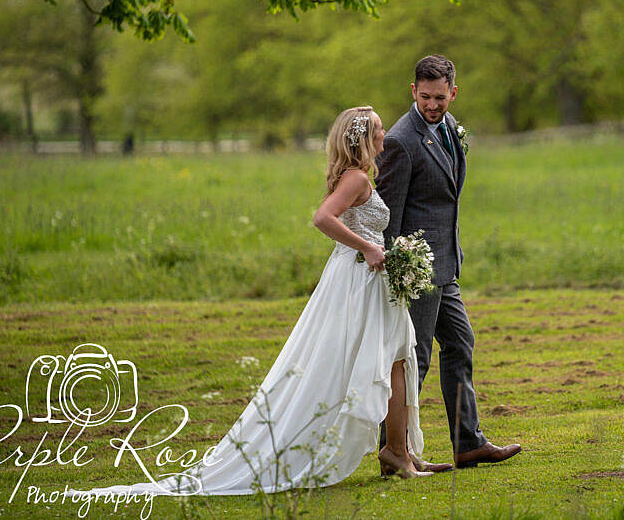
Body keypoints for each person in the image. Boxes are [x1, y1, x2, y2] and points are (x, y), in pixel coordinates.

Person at [73, 106, 434, 500]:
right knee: (375, 359)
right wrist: (367, 247)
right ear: (363, 138)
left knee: (398, 358)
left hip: (367, 279)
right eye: (379, 130)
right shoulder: (357, 178)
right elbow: (322, 218)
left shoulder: (359, 176)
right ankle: (392, 451)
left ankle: (399, 452)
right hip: (358, 280)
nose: (385, 137)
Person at [376, 55, 522, 468]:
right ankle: (393, 448)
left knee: (459, 344)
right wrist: (396, 271)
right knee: (415, 357)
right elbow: (388, 213)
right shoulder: (401, 141)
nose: (432, 105)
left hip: (446, 263)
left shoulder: (451, 129)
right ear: (413, 91)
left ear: (453, 92)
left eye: (440, 98)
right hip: (417, 269)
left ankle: (468, 441)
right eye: (425, 97)